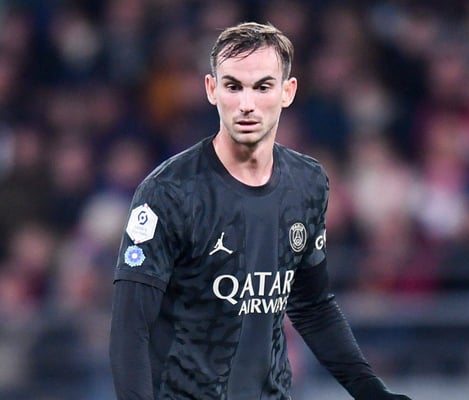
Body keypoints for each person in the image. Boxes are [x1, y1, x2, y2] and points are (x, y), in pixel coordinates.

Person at [109, 21, 412, 400]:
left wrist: (372, 391)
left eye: (263, 87)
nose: (247, 104)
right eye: (233, 86)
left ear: (288, 91)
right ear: (211, 89)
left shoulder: (308, 182)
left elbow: (313, 306)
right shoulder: (168, 192)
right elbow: (130, 328)